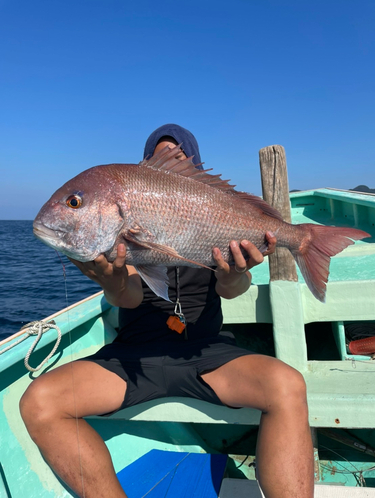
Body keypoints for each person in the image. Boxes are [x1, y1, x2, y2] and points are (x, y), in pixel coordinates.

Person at [20, 124, 314, 498]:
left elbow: (232, 289)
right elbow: (126, 298)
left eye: (181, 158)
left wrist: (237, 272)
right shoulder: (121, 236)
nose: (172, 162)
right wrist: (111, 282)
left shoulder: (211, 208)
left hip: (206, 352)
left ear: (195, 168)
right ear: (143, 168)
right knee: (39, 403)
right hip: (134, 357)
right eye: (160, 156)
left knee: (287, 386)